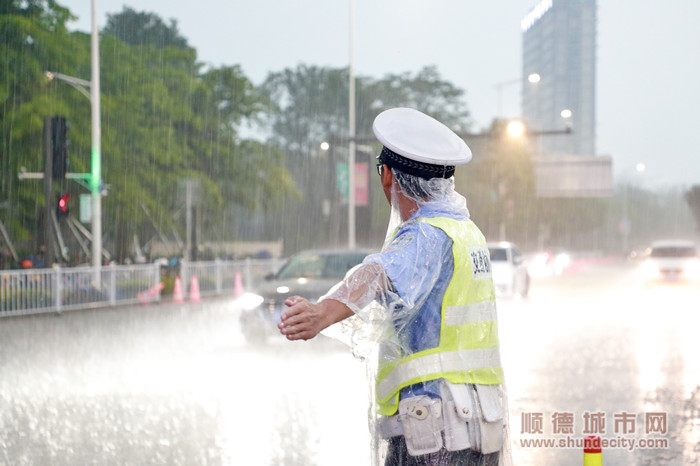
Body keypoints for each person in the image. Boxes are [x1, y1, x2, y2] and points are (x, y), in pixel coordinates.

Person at [279, 107, 508, 466]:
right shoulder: (466, 231)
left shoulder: (426, 235)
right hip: (479, 421)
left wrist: (322, 312)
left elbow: (376, 273)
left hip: (435, 433)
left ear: (388, 176)